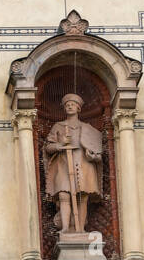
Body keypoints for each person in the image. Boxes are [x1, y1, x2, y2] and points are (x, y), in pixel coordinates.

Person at [42, 92, 103, 233]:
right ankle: (65, 228)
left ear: (78, 108)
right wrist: (60, 144)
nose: (70, 107)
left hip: (84, 165)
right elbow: (48, 147)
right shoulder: (58, 126)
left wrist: (93, 156)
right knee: (64, 195)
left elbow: (98, 153)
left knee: (82, 196)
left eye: (72, 105)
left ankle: (80, 229)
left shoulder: (87, 128)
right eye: (67, 105)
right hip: (63, 164)